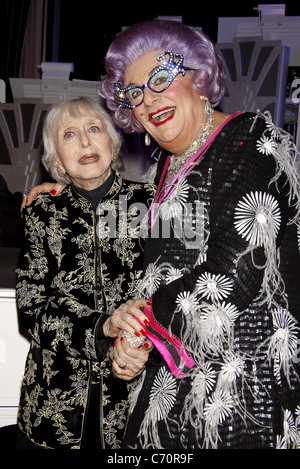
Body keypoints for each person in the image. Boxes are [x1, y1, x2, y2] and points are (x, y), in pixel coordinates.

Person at [24, 20, 300, 449]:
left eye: (160, 78)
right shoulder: (162, 173)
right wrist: (60, 192)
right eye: (134, 93)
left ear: (199, 76)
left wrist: (138, 331)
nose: (148, 99)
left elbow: (235, 273)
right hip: (167, 395)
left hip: (243, 401)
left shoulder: (251, 141)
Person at [15, 96, 155, 449]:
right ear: (55, 159)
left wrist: (145, 342)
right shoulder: (42, 213)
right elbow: (31, 308)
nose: (85, 142)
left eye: (95, 129)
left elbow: (176, 289)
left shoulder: (153, 204)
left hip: (134, 396)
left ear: (112, 141)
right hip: (54, 403)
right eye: (70, 135)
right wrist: (102, 328)